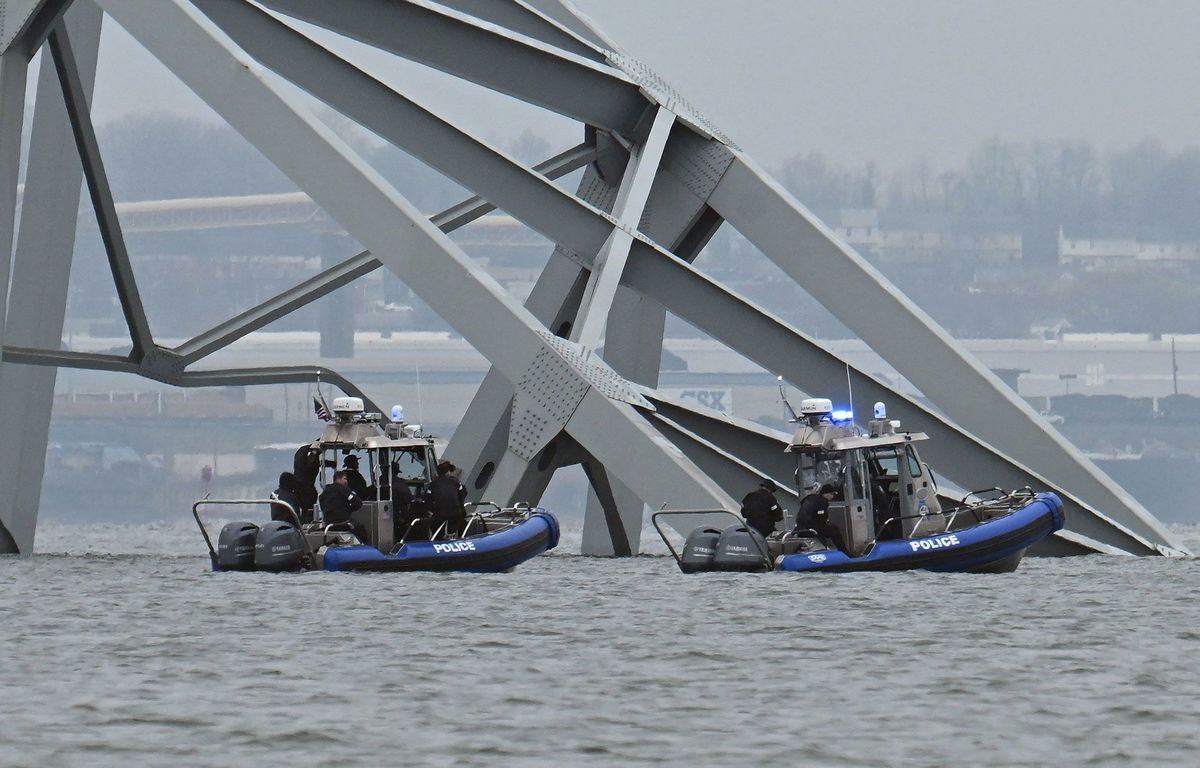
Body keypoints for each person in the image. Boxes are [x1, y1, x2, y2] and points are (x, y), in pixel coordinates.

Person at [319, 470, 366, 540]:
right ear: (338, 479)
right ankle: (364, 546)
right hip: (344, 523)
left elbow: (323, 506)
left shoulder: (324, 493)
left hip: (329, 524)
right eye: (345, 479)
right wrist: (349, 509)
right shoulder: (343, 490)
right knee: (361, 529)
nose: (346, 481)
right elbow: (358, 503)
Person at [426, 461, 466, 539]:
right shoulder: (456, 483)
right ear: (448, 472)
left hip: (439, 513)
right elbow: (462, 496)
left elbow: (428, 498)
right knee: (462, 520)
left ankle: (437, 539)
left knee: (434, 524)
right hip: (455, 513)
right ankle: (460, 538)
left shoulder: (433, 485)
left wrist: (431, 509)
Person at [292, 444, 320, 520]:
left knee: (305, 509)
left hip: (300, 486)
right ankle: (307, 520)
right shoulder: (312, 452)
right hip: (305, 487)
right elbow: (310, 464)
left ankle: (304, 520)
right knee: (308, 508)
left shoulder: (302, 451)